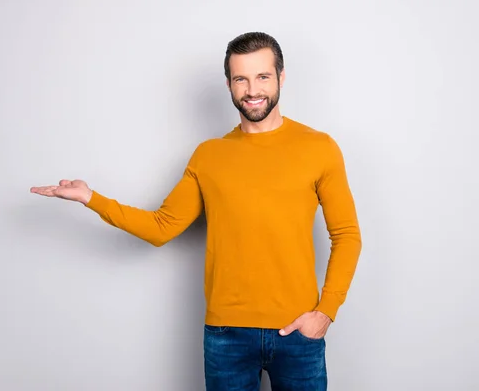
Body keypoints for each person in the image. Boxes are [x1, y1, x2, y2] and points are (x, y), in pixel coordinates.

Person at [30, 31, 362, 391]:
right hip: (226, 337)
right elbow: (161, 227)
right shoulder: (209, 155)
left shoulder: (319, 148)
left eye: (263, 76)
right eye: (241, 79)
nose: (252, 89)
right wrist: (91, 198)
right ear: (229, 84)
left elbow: (346, 236)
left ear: (281, 77)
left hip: (300, 334)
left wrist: (325, 313)